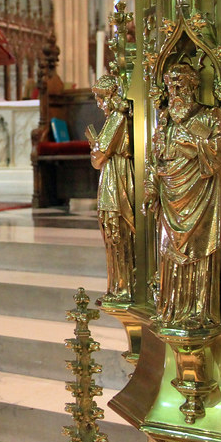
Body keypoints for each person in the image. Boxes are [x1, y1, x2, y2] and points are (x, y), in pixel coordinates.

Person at [144, 58, 221, 327]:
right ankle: (172, 309)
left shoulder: (209, 115)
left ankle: (199, 312)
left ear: (193, 87)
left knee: (198, 250)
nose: (176, 94)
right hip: (171, 194)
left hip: (201, 194)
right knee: (169, 252)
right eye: (172, 88)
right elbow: (153, 159)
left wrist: (193, 143)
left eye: (181, 87)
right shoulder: (165, 120)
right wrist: (150, 188)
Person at [89, 73, 134, 300]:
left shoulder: (116, 118)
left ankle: (123, 287)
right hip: (115, 175)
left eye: (100, 99)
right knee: (113, 232)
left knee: (116, 231)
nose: (99, 104)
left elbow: (99, 158)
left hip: (116, 180)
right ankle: (118, 285)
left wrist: (95, 148)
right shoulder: (117, 118)